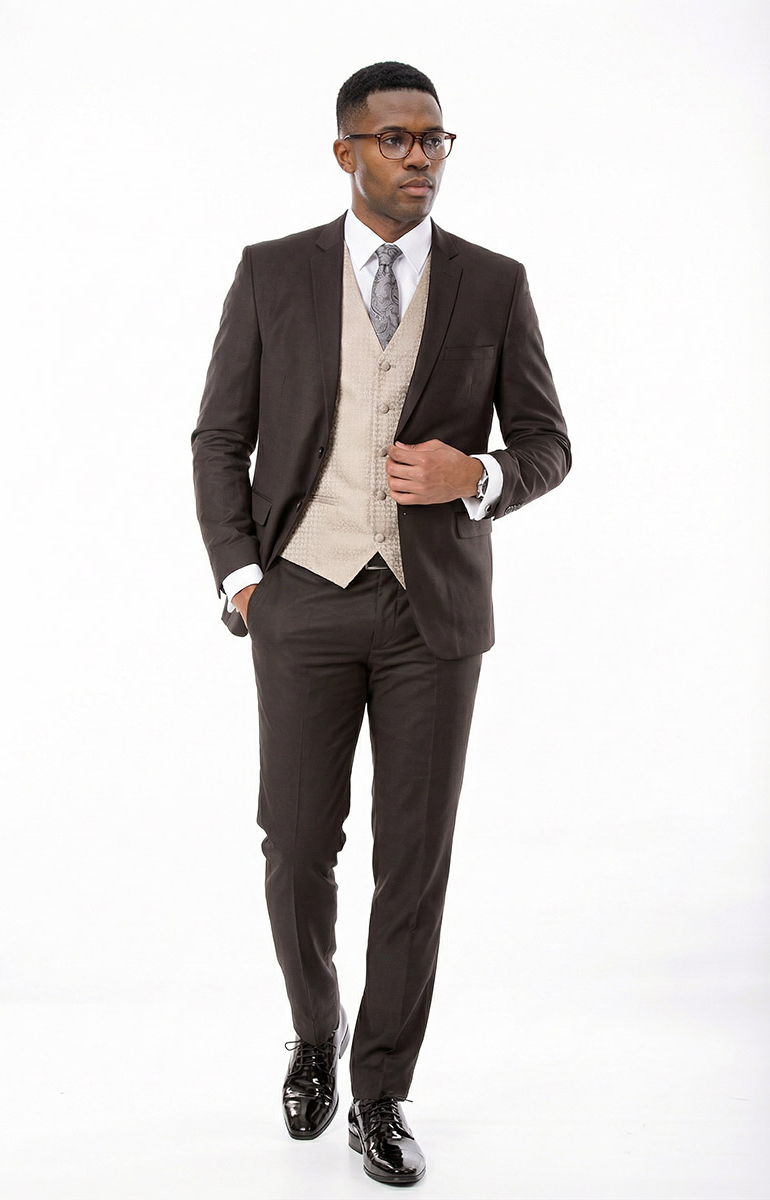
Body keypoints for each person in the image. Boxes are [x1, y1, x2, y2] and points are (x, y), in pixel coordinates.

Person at [191, 60, 571, 1188]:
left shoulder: (494, 283)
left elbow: (547, 444)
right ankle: (316, 1032)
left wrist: (476, 475)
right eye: (396, 140)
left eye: (433, 139)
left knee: (414, 863)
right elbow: (219, 438)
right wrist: (243, 578)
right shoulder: (271, 273)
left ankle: (380, 1094)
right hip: (301, 597)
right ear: (345, 152)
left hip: (431, 616)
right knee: (296, 844)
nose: (419, 158)